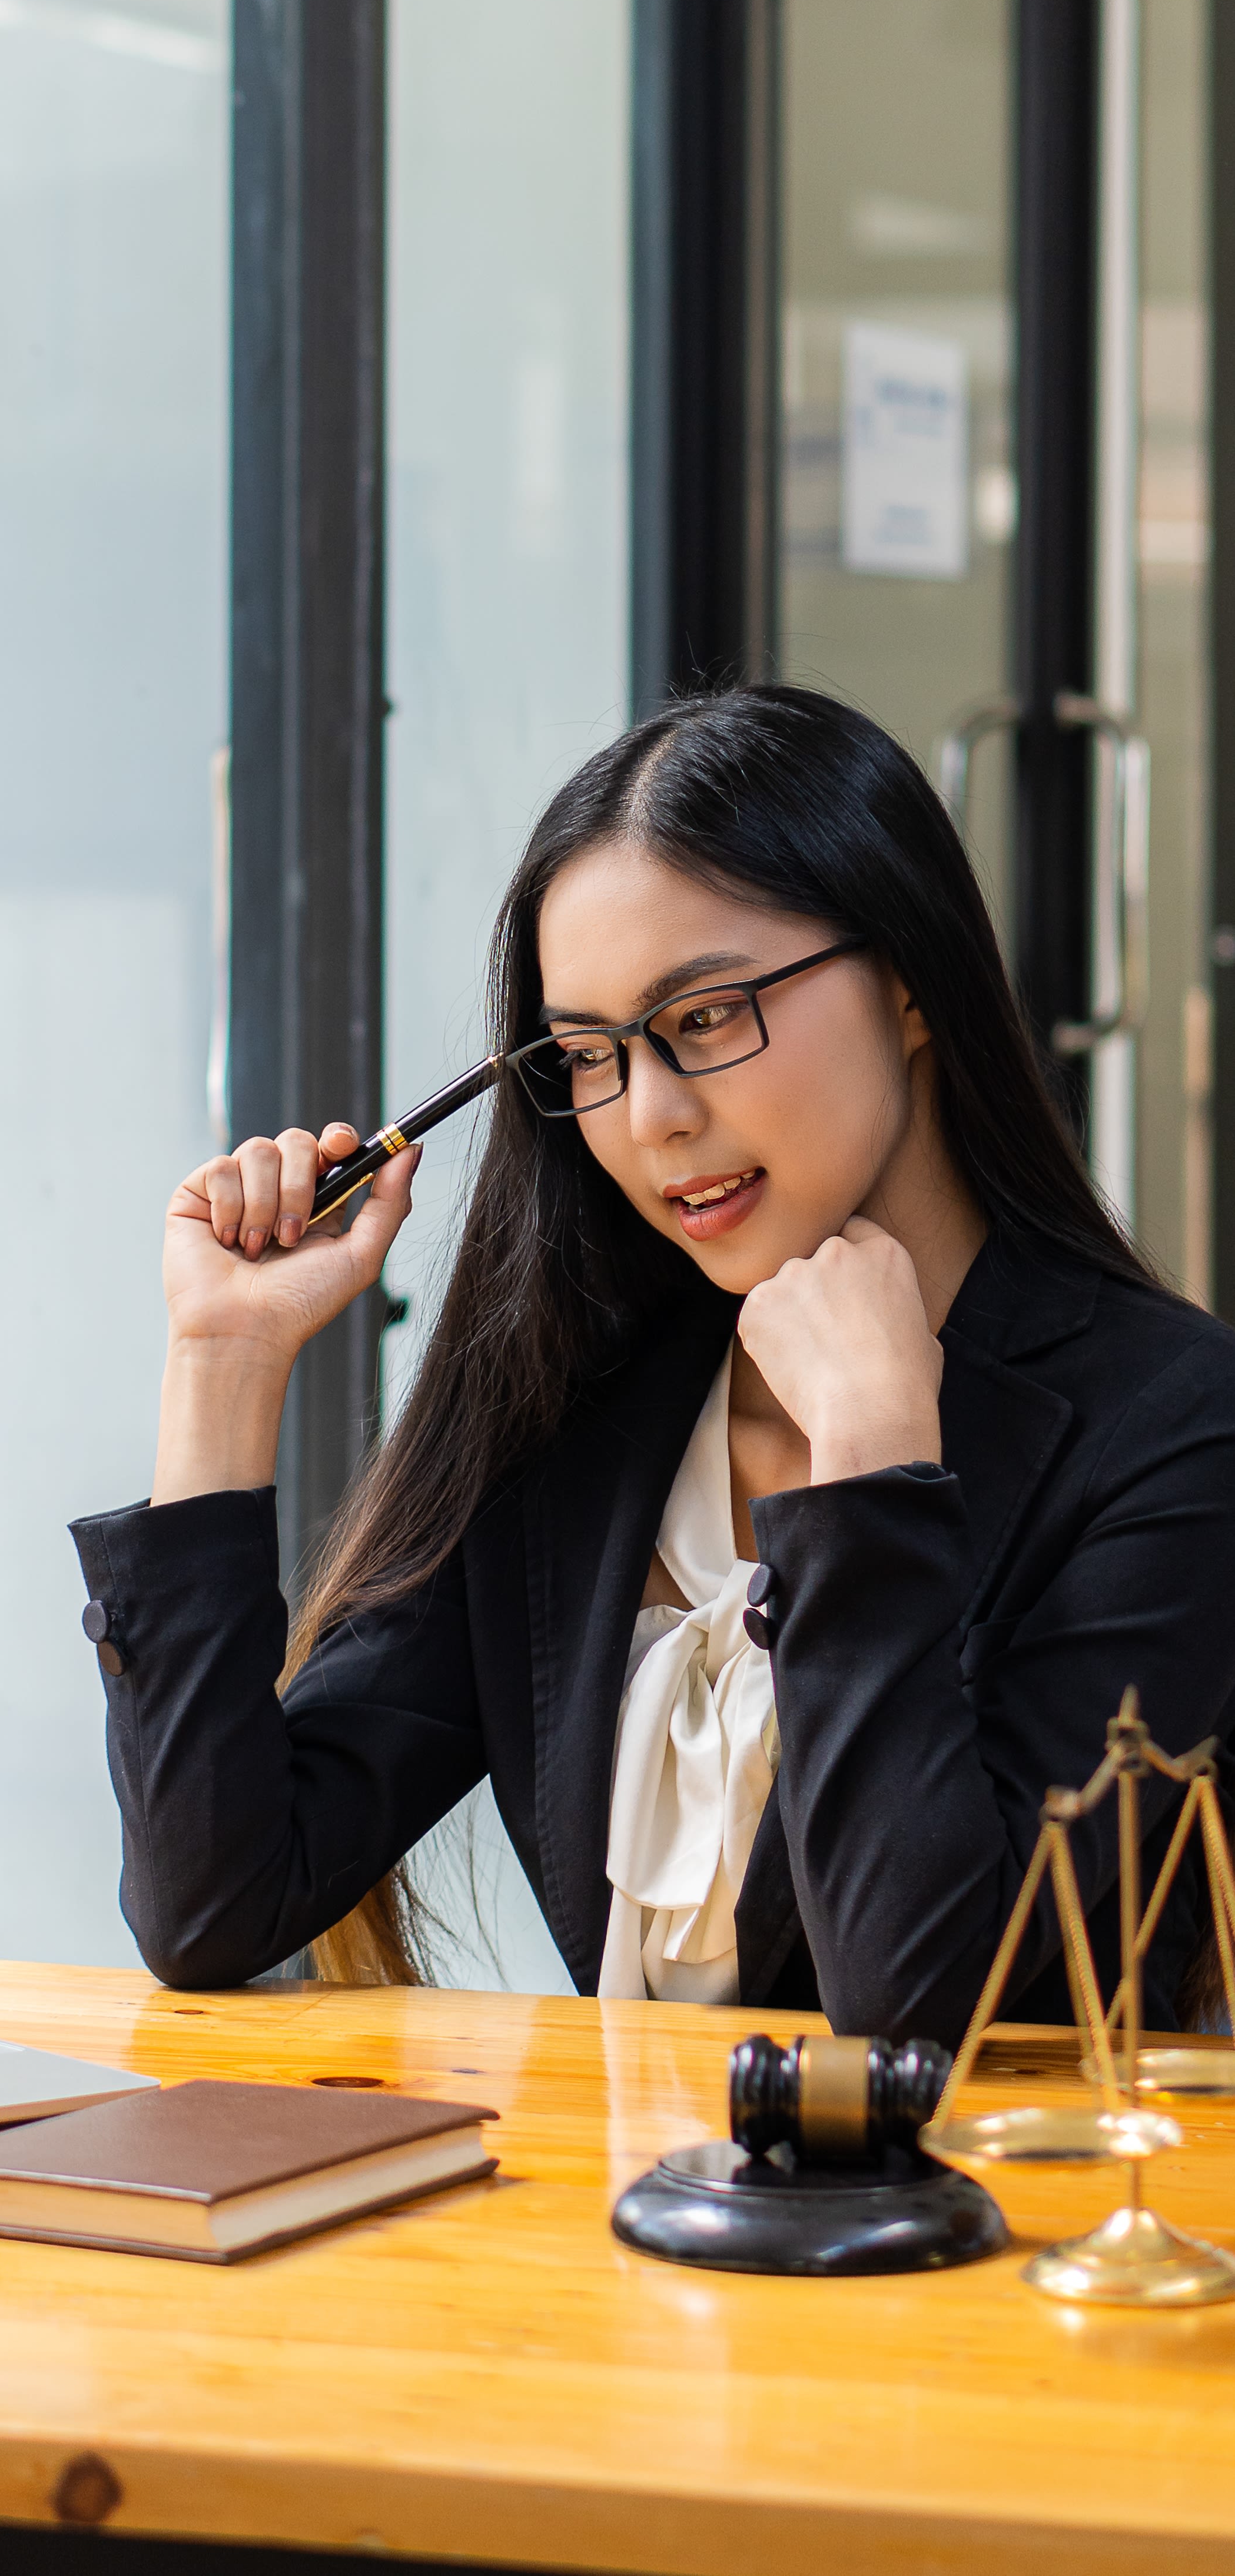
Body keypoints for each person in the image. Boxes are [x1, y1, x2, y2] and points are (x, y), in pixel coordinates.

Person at [69, 685, 1235, 2043]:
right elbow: (214, 1901)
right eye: (588, 1056)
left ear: (909, 983)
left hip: (1011, 2239)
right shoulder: (578, 1403)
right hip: (621, 2237)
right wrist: (221, 1366)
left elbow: (919, 2007)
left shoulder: (1169, 1426)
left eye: (704, 1018)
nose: (652, 1118)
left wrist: (870, 1463)